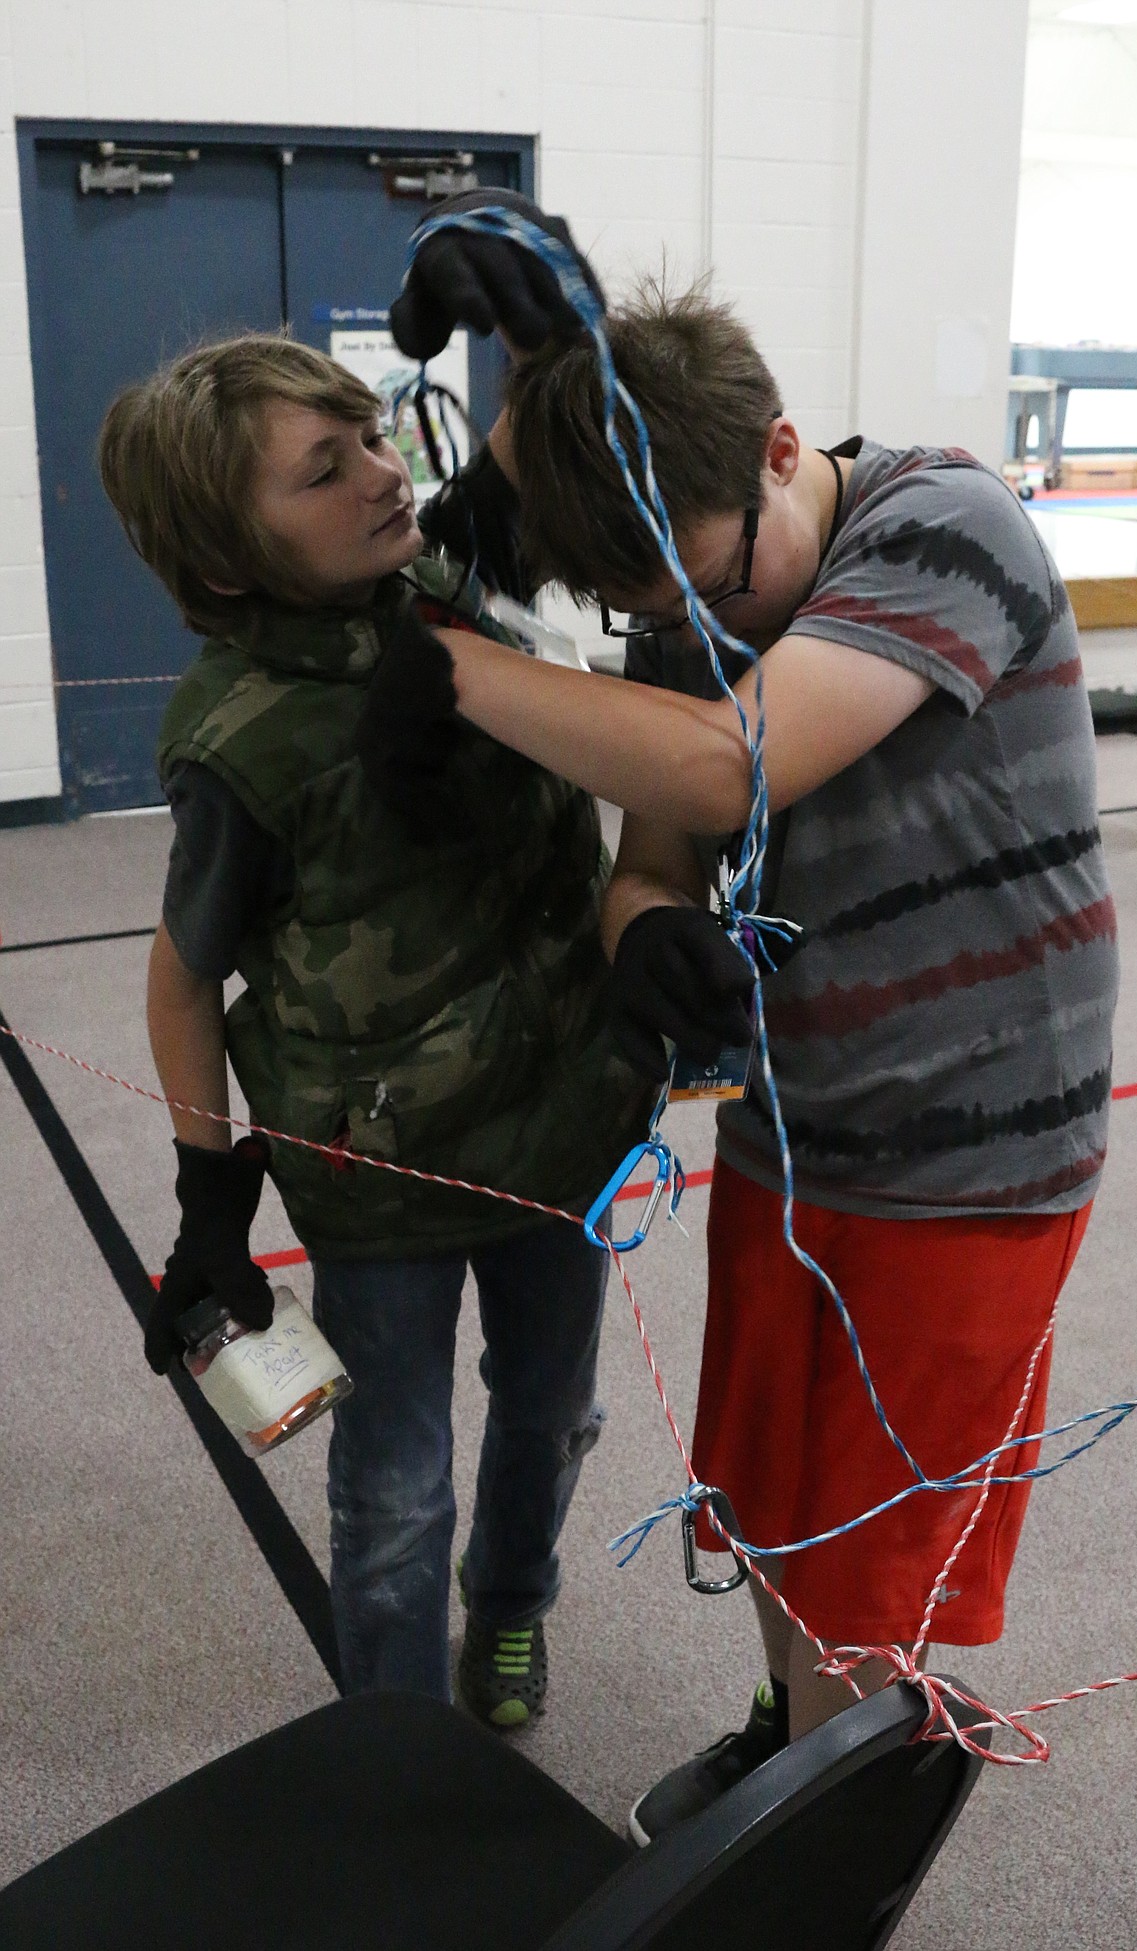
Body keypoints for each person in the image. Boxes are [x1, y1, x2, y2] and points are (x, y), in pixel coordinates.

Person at [370, 201, 1120, 1840]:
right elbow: (654, 853)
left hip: (967, 1161)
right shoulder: (681, 590)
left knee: (870, 1558)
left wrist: (449, 666)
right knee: (777, 1503)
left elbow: (722, 762)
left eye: (711, 583)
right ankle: (793, 1743)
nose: (697, 629)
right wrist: (642, 936)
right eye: (657, 607)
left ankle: (821, 1847)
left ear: (784, 452)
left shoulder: (946, 524)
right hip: (803, 1132)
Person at [97, 329, 650, 1725]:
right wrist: (208, 1196)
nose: (380, 476)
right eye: (322, 469)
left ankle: (512, 1605)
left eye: (371, 438)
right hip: (381, 1183)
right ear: (226, 561)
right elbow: (181, 981)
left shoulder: (451, 591)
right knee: (395, 1492)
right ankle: (399, 1747)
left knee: (552, 1413)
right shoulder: (245, 741)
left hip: (559, 1129)